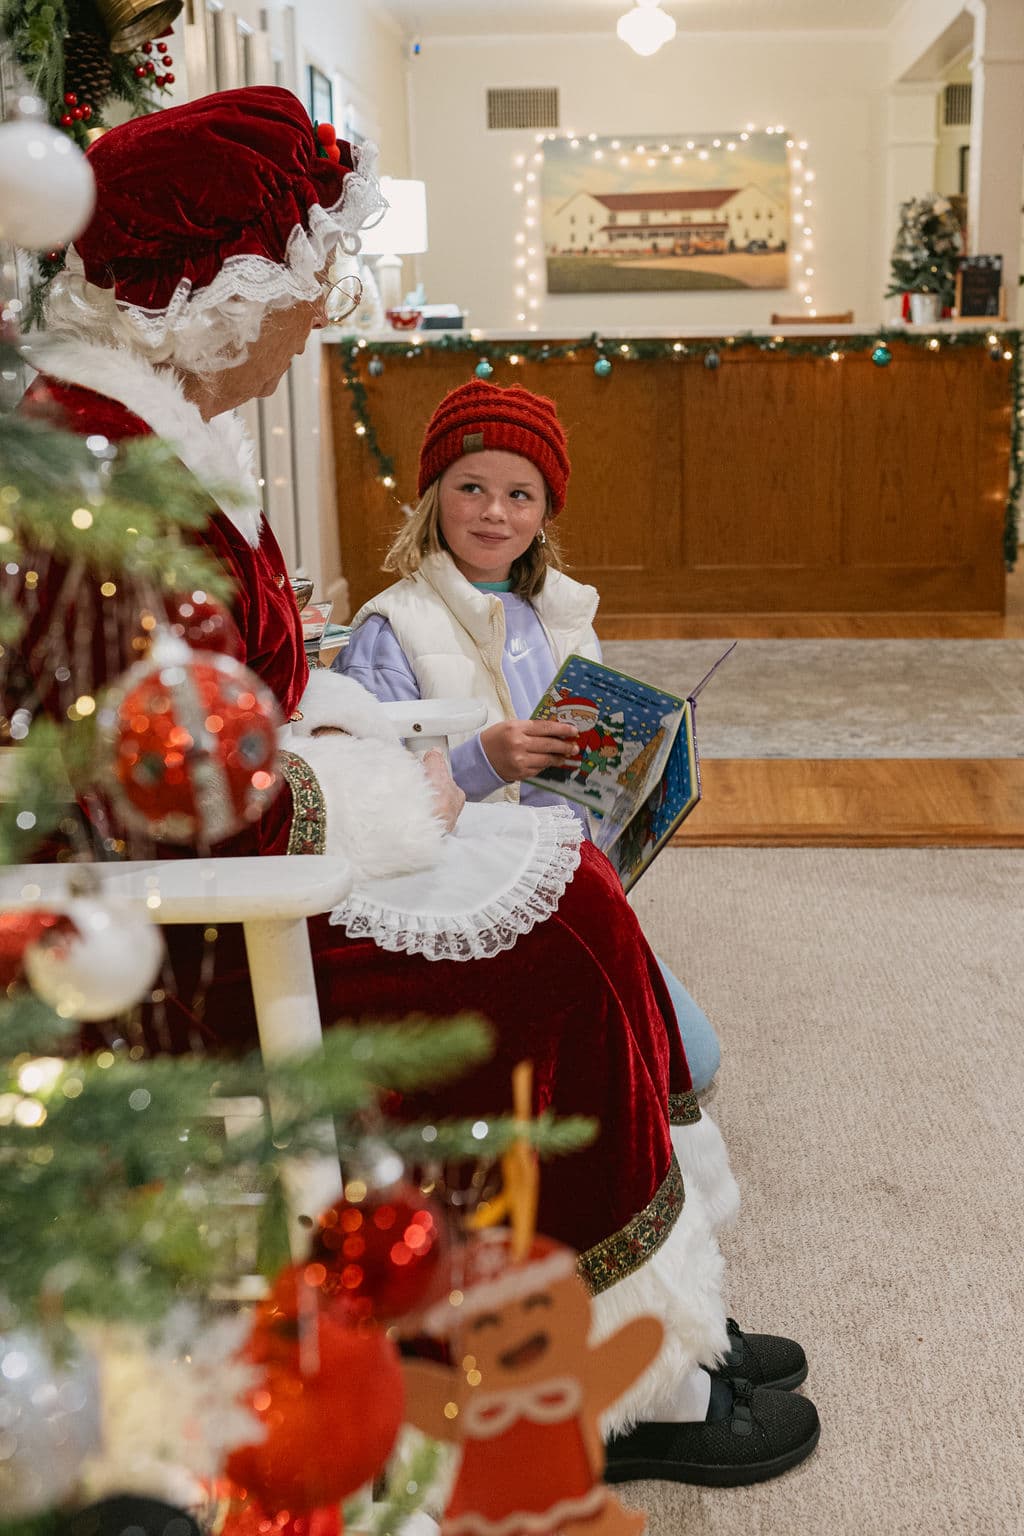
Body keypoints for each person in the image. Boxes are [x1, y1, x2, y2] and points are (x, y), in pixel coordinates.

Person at [7, 86, 818, 1486]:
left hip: (254, 856)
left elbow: (246, 700)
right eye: (306, 279)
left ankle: (665, 1321)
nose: (319, 312)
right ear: (212, 289)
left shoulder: (152, 437)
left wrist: (369, 750)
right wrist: (407, 795)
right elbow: (177, 795)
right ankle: (604, 1390)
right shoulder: (102, 480)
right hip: (187, 936)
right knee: (558, 949)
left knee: (580, 891)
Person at [336, 380, 721, 1091]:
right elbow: (371, 802)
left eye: (521, 495)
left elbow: (588, 773)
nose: (493, 513)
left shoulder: (566, 616)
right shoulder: (390, 630)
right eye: (471, 487)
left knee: (691, 1064)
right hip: (466, 890)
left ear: (545, 512)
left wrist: (643, 788)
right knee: (652, 1073)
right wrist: (482, 762)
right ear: (432, 495)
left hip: (574, 882)